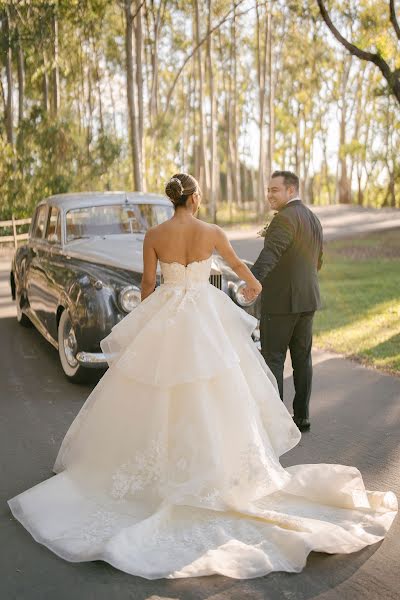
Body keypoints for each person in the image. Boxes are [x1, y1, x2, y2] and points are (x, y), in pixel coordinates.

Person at [8, 173, 397, 580]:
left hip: (168, 316)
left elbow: (146, 282)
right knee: (217, 386)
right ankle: (216, 467)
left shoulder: (154, 234)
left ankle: (159, 467)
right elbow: (239, 271)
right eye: (200, 194)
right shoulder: (211, 230)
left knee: (158, 389)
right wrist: (252, 288)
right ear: (192, 198)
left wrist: (147, 315)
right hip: (205, 319)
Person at [249, 171, 323, 432]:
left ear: (291, 191)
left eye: (275, 190)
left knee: (273, 358)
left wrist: (251, 284)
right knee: (302, 359)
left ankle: (277, 424)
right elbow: (318, 261)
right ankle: (301, 417)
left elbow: (270, 255)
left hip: (281, 303)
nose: (269, 195)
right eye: (268, 190)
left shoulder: (284, 219)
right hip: (308, 300)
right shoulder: (313, 219)